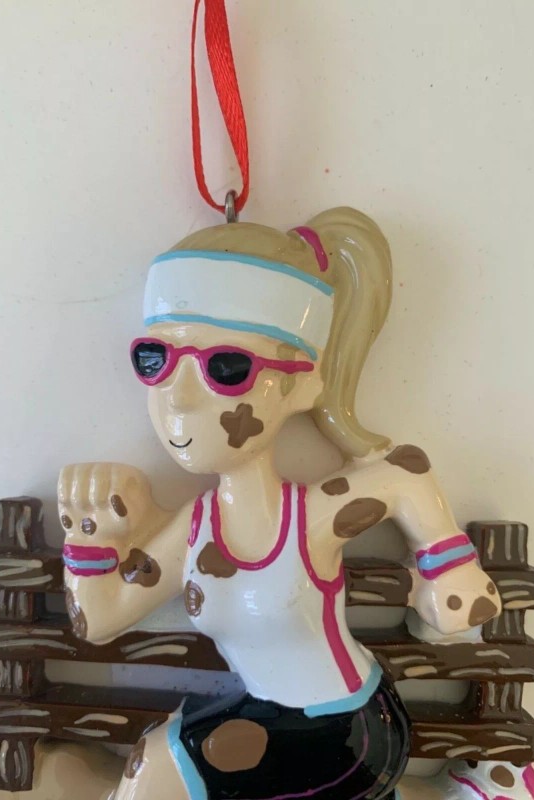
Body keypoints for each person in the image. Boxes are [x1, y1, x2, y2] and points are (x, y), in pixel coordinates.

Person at [59, 207, 500, 800]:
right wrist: (90, 528)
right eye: (155, 359)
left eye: (227, 368)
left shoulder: (309, 519)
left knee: (155, 771)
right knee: (158, 768)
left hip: (349, 728)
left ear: (299, 384)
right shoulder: (197, 529)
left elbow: (403, 473)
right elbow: (99, 619)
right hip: (270, 717)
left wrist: (450, 566)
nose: (179, 398)